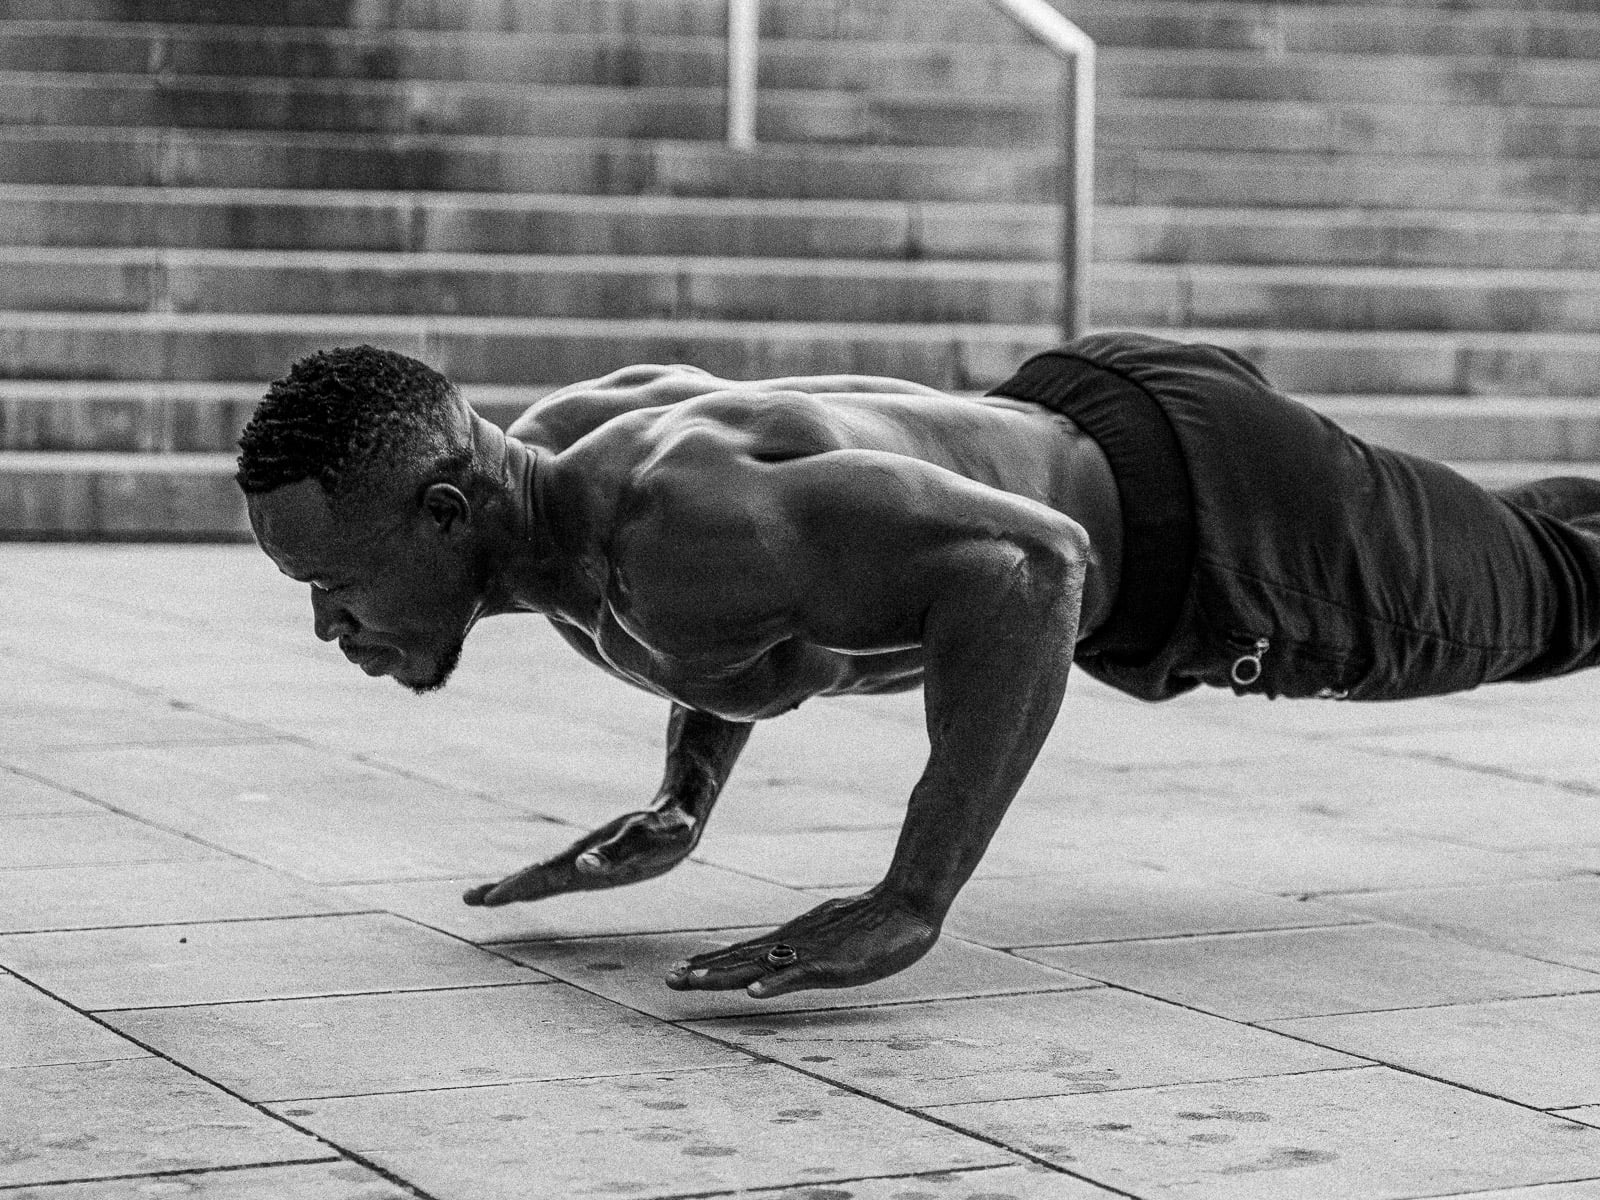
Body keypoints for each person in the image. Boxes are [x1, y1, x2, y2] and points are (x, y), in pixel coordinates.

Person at [236, 334, 1600, 998]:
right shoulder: (564, 465)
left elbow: (1037, 565)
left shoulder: (686, 527)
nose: (326, 628)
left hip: (1229, 530)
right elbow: (771, 603)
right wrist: (684, 798)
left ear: (446, 512)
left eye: (331, 585)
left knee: (1550, 598)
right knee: (1521, 544)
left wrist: (912, 895)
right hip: (1106, 407)